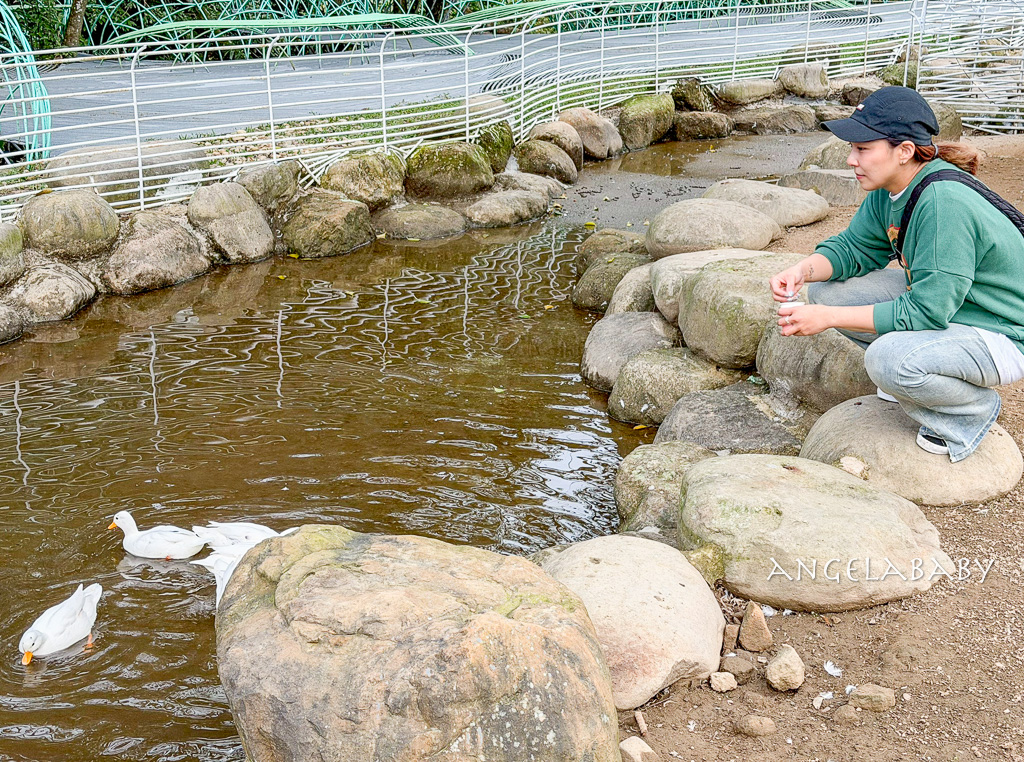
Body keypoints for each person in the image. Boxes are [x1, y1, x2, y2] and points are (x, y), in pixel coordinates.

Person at [769, 86, 1024, 462]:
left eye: (862, 148)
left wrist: (827, 320)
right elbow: (855, 249)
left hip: (1002, 331)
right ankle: (915, 378)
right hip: (959, 306)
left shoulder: (942, 203)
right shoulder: (892, 186)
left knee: (887, 360)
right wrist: (802, 270)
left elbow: (926, 311)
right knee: (826, 291)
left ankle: (969, 412)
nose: (852, 159)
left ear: (904, 151)